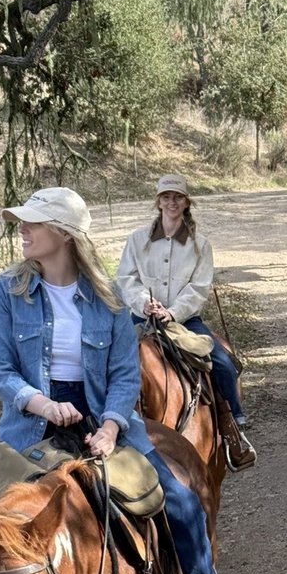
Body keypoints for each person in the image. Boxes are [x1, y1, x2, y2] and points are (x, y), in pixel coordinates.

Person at [0, 186, 232, 574]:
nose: (22, 231)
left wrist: (113, 426)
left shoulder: (110, 298)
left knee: (182, 504)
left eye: (32, 223)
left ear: (64, 235)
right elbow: (1, 368)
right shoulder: (7, 290)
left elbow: (123, 376)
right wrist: (41, 403)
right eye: (22, 223)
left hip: (105, 421)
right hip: (32, 428)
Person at [115, 173, 257, 471]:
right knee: (107, 362)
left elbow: (199, 287)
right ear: (158, 202)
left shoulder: (199, 244)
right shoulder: (137, 239)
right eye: (166, 197)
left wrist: (173, 312)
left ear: (186, 202)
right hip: (141, 317)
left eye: (177, 197)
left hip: (183, 321)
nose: (172, 202)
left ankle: (234, 429)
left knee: (221, 361)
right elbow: (127, 277)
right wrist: (144, 302)